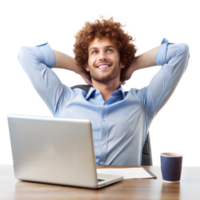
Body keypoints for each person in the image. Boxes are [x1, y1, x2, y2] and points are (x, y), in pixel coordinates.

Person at [18, 13, 189, 165]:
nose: (102, 57)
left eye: (109, 51)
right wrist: (81, 68)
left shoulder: (144, 102)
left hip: (125, 193)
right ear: (87, 62)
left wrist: (130, 66)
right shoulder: (63, 99)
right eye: (94, 52)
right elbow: (27, 53)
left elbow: (179, 51)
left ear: (121, 60)